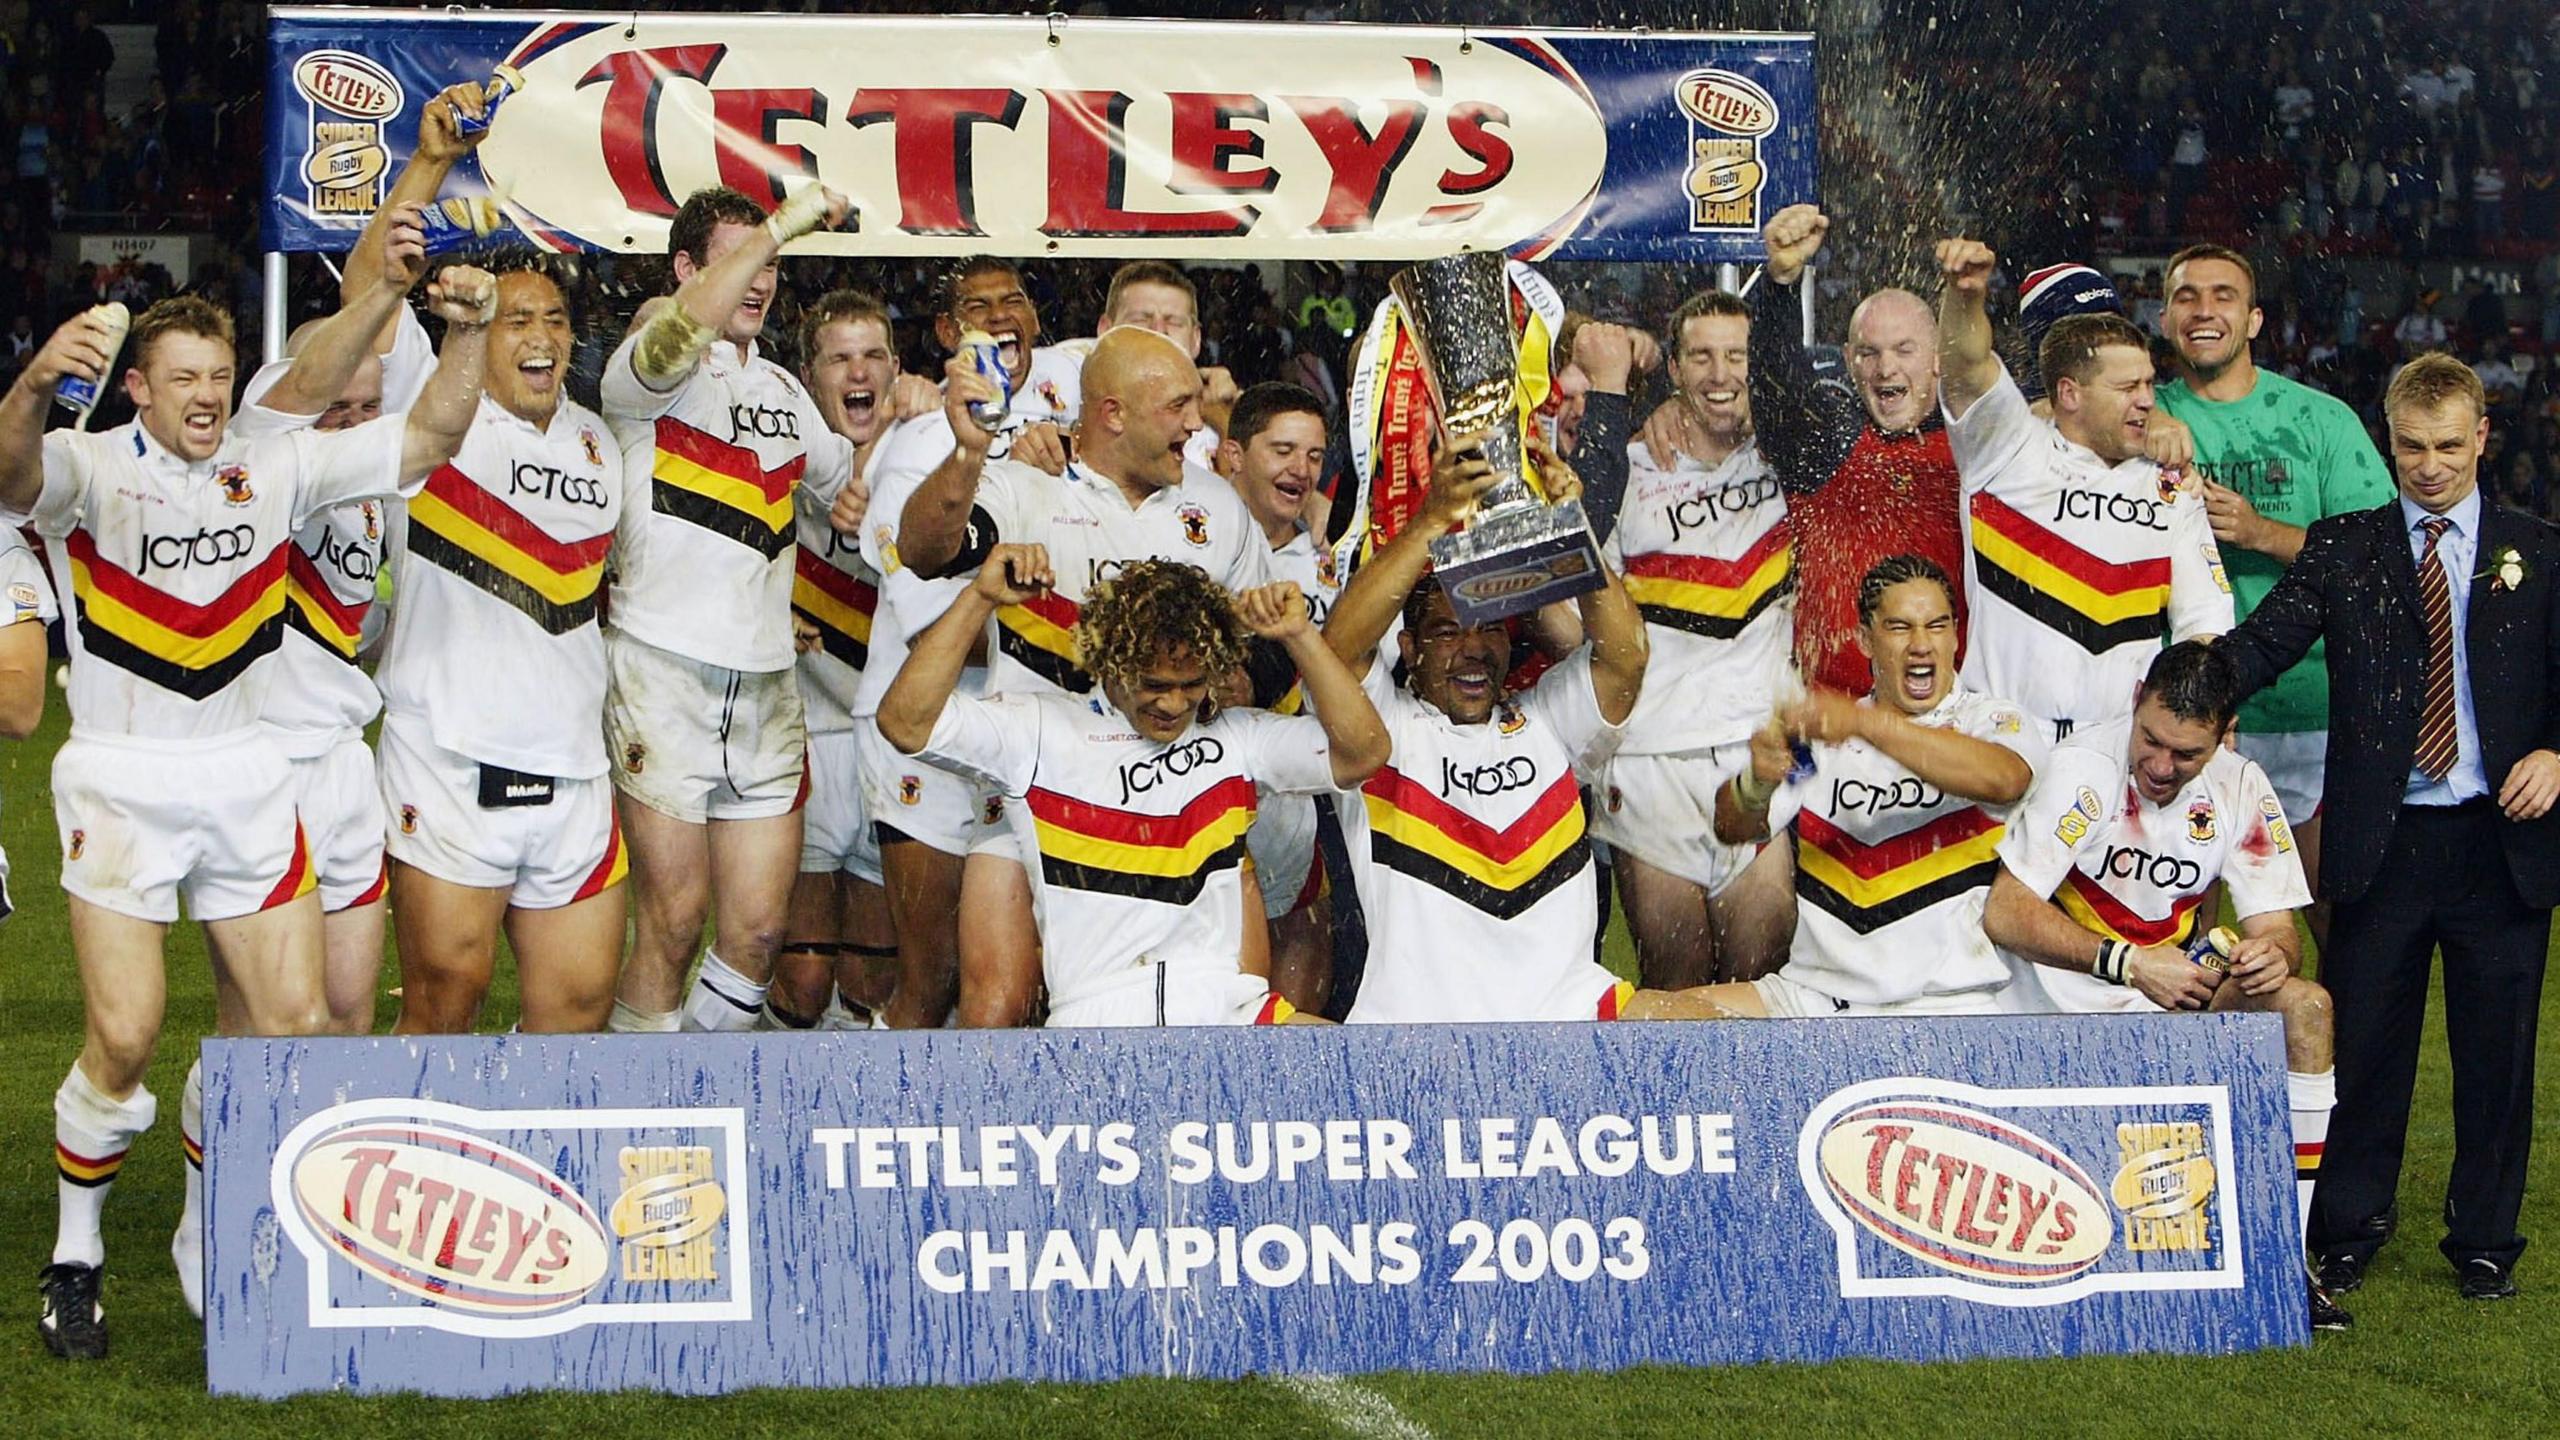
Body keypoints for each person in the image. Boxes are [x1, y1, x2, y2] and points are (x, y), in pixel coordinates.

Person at [9, 267, 495, 1360]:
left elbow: (425, 441)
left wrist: (466, 333)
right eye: (183, 379)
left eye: (220, 378)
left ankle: (207, 1227)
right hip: (122, 775)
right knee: (125, 1034)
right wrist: (38, 380)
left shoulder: (272, 461)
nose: (205, 397)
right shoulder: (88, 468)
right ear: (136, 386)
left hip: (245, 773)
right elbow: (7, 474)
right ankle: (75, 1257)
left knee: (287, 1032)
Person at [2216, 354, 2560, 1304]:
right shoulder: (2346, 546)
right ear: (2389, 439)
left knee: (2500, 1053)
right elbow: (2261, 644)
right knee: (2366, 1044)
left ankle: (2487, 1239)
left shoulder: (2543, 549)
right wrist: (2181, 698)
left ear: (2483, 436)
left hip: (2502, 844)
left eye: (2450, 445)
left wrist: (2556, 756)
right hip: (2380, 839)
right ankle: (2348, 1227)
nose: (2431, 466)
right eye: (2411, 447)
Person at [898, 326, 1276, 1026]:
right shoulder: (1025, 485)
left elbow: (1259, 648)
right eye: (1177, 407)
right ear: (1112, 414)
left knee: (1238, 1005)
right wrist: (969, 451)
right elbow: (923, 550)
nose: (1196, 423)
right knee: (1001, 1002)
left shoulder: (1219, 508)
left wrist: (1235, 678)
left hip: (1177, 808)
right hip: (1032, 795)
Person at [1980, 641, 2346, 1328]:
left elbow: (2280, 931)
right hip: (2049, 1015)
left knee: (2307, 1008)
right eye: (2151, 740)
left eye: (2186, 755)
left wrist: (2271, 957)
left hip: (2169, 1007)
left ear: (2224, 733)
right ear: (2138, 698)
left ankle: (2290, 1261)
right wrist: (2128, 962)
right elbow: (2004, 911)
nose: (2159, 765)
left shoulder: (2240, 786)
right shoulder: (2082, 771)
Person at [1320, 428, 1733, 1024]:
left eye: (1487, 628)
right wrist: (1433, 520)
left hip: (1567, 1017)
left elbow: (1625, 656)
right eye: (1445, 633)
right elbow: (1337, 652)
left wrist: (1573, 532)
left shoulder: (1547, 720)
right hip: (1417, 1029)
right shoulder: (1381, 734)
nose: (1472, 649)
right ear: (1408, 649)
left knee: (1722, 1039)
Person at [878, 547, 1386, 1026]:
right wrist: (979, 597)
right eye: (1154, 685)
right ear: (1110, 666)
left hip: (1227, 1008)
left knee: (1359, 1077)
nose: (1173, 705)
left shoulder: (1237, 738)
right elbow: (904, 722)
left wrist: (1301, 636)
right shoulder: (1037, 731)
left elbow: (1364, 752)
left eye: (1191, 685)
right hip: (1096, 1013)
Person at [597, 182, 866, 1035]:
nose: (762, 280)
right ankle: (632, 1122)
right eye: (743, 260)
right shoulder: (651, 362)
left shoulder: (787, 390)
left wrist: (901, 435)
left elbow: (842, 486)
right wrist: (782, 222)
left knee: (754, 935)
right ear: (685, 269)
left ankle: (693, 1098)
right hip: (662, 673)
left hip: (766, 689)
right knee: (672, 927)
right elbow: (679, 329)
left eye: (774, 265)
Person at [374, 260, 635, 1037]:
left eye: (554, 319)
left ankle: (526, 1160)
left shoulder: (597, 441)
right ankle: (417, 1155)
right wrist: (429, 170)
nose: (542, 336)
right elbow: (374, 296)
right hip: (449, 757)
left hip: (576, 768)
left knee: (579, 1013)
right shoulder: (431, 414)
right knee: (446, 999)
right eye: (516, 319)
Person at [852, 256, 1073, 1031]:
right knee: (935, 978)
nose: (1003, 313)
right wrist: (1068, 649)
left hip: (1020, 728)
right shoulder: (921, 442)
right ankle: (881, 1125)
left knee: (1015, 977)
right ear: (949, 333)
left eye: (1015, 299)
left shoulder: (1066, 395)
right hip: (925, 726)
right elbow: (926, 618)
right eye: (978, 306)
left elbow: (1151, 368)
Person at [2156, 244, 2396, 950]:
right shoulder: (2136, 413)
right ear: (2165, 316)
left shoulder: (2320, 421)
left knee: (2332, 915)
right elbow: (2047, 406)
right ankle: (2186, 1064)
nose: (2205, 311)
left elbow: (2383, 559)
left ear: (2255, 318)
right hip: (2181, 709)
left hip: (2309, 706)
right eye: (2188, 297)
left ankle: (2335, 1058)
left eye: (2223, 296)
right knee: (2176, 918)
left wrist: (2263, 532)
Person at [1702, 555, 2043, 1016]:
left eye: (1937, 626)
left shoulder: (1991, 720)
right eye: (1900, 628)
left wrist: (1867, 724)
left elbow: (2004, 779)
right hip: (1817, 998)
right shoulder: (1825, 739)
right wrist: (1756, 781)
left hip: (1948, 1005)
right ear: (1865, 639)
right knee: (1648, 1021)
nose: (1921, 645)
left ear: (1956, 635)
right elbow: (1733, 826)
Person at [1934, 237, 2234, 740]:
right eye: (2126, 389)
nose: (2145, 402)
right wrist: (1965, 294)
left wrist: (2206, 707)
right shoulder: (2006, 449)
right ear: (2069, 392)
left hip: (2118, 751)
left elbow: (2203, 621)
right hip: (1998, 744)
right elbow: (1965, 367)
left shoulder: (2173, 486)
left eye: (2148, 387)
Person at [1592, 292, 1795, 989]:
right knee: (1675, 979)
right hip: (1650, 755)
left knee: (1760, 974)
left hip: (1762, 750)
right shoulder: (1630, 465)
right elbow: (1579, 607)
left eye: (1736, 355)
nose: (1720, 373)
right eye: (1701, 356)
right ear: (1673, 367)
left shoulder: (1787, 457)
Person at [1733, 205, 1966, 698]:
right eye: (1868, 353)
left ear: (1939, 359)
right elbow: (1777, 388)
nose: (1885, 368)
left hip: (1951, 719)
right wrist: (1779, 284)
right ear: (1847, 362)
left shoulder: (1977, 448)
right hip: (1834, 718)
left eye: (1904, 350)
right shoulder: (1826, 443)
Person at [776, 289, 926, 1029]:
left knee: (871, 981)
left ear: (897, 372)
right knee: (801, 977)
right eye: (839, 358)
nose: (857, 371)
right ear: (810, 378)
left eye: (872, 356)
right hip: (804, 736)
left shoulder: (931, 455)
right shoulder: (778, 459)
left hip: (894, 744)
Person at [1219, 381, 1342, 1011]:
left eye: (1316, 456)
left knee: (1297, 1013)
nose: (1301, 469)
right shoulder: (1193, 527)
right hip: (1191, 795)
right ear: (1234, 456)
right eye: (1284, 450)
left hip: (1292, 800)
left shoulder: (1331, 554)